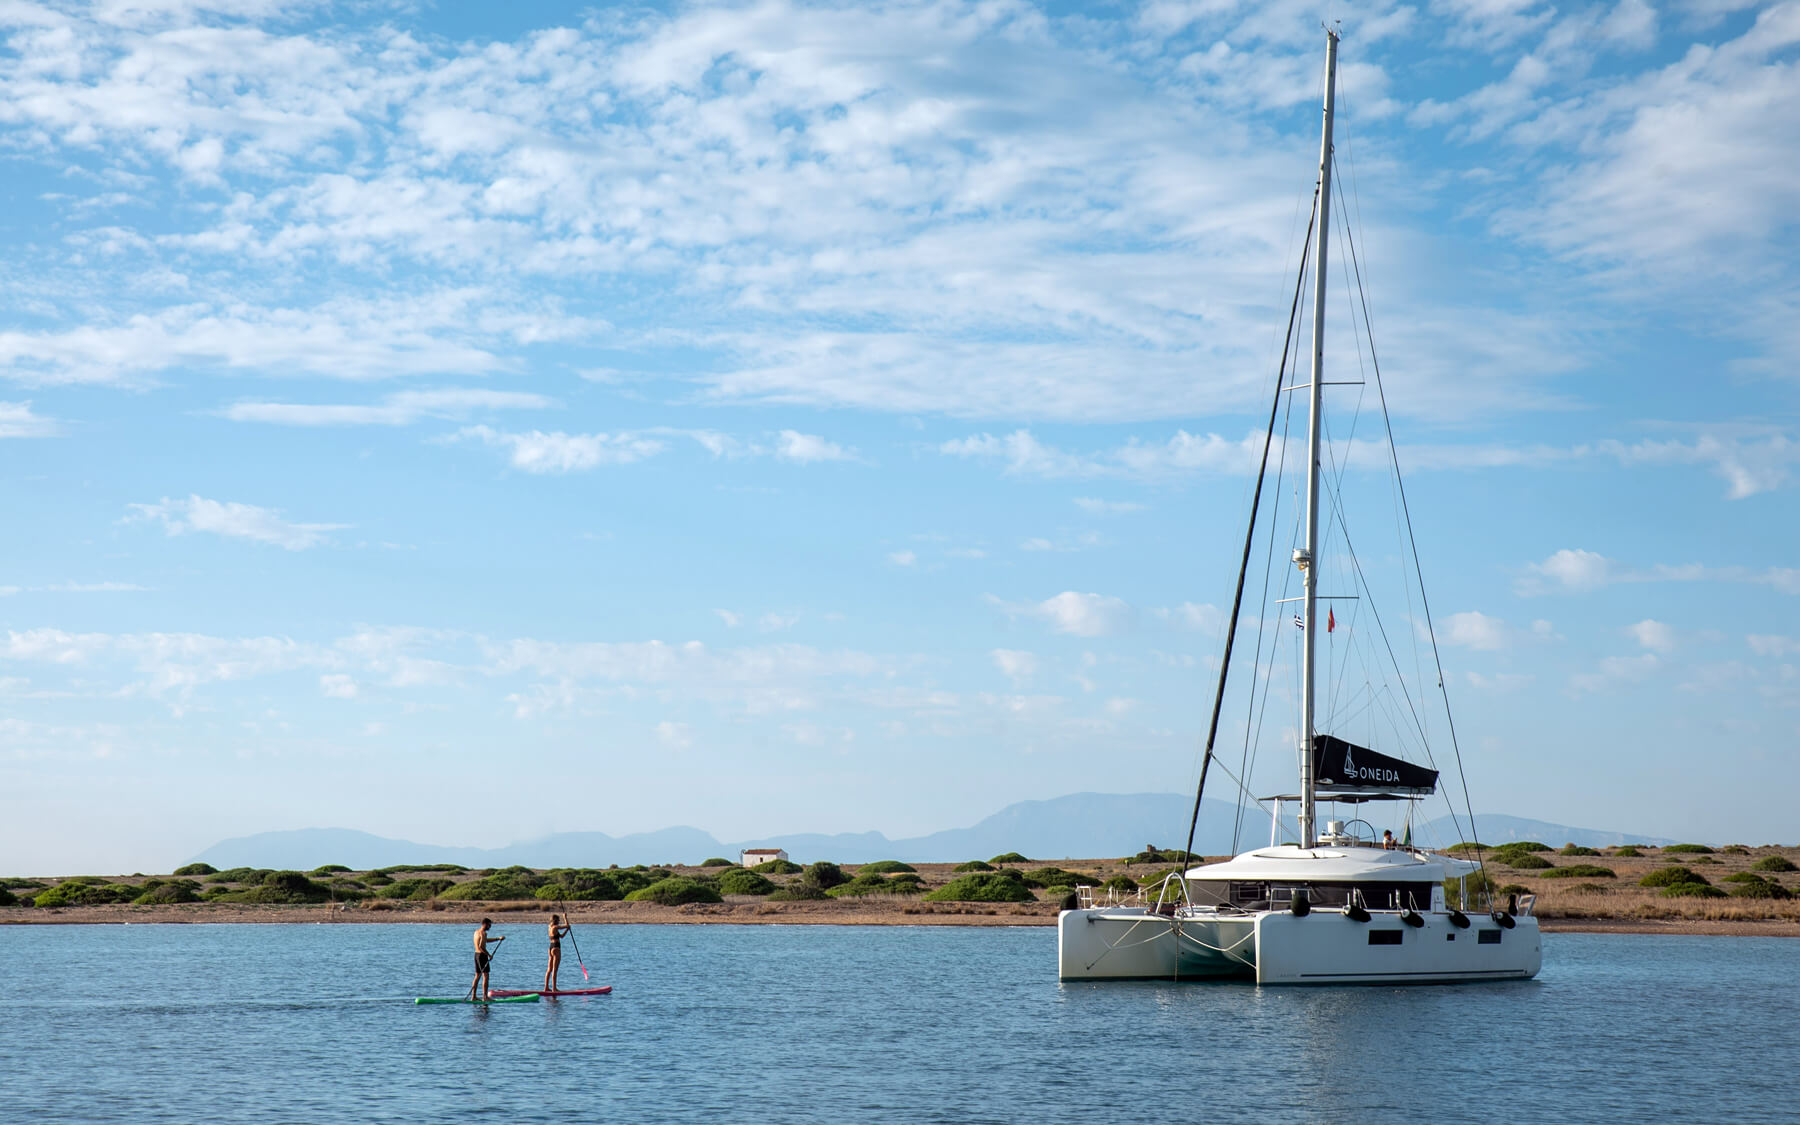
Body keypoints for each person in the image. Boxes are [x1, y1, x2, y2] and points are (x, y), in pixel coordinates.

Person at [471, 917, 505, 1000]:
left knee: (477, 976)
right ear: (485, 924)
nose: (490, 927)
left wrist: (497, 939)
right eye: (489, 925)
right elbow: (481, 947)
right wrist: (489, 955)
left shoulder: (476, 932)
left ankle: (473, 996)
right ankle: (485, 997)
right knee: (486, 976)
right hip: (482, 956)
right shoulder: (483, 933)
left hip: (476, 955)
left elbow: (485, 941)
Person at [544, 913, 572, 993]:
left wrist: (567, 930)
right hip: (556, 948)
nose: (559, 922)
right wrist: (565, 917)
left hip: (550, 948)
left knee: (549, 969)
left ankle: (546, 987)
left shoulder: (550, 927)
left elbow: (562, 936)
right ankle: (554, 988)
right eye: (558, 920)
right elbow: (566, 925)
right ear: (556, 921)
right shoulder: (555, 927)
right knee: (555, 970)